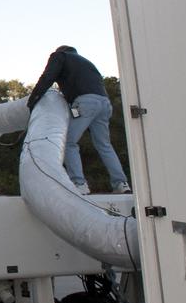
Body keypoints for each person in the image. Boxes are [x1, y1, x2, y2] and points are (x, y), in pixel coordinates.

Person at [27, 45, 131, 195]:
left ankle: (79, 183)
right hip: (104, 103)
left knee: (69, 142)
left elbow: (47, 77)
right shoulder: (86, 62)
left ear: (61, 51)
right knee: (104, 145)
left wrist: (33, 99)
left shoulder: (59, 56)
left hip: (85, 102)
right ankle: (121, 184)